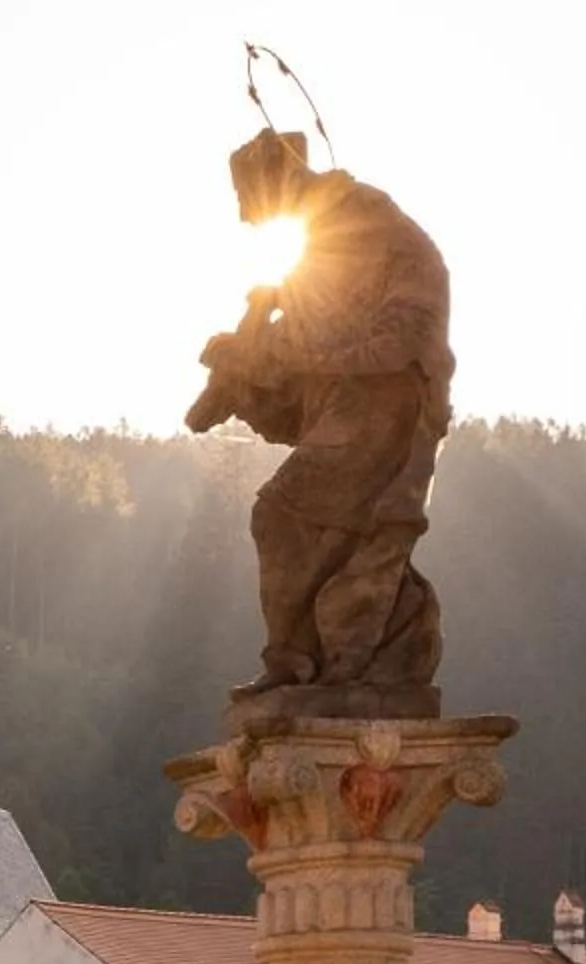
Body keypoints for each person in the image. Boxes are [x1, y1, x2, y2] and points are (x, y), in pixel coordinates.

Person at [188, 129, 455, 700]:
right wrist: (244, 361)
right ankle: (342, 656)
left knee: (283, 517)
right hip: (351, 406)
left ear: (277, 181)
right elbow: (299, 362)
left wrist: (309, 353)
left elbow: (406, 323)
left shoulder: (368, 222)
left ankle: (305, 658)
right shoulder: (314, 248)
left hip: (383, 407)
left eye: (247, 200)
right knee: (343, 535)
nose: (243, 217)